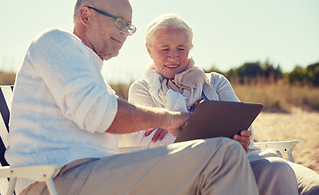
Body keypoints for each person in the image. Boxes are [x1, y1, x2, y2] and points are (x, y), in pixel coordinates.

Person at [4, 0, 260, 195]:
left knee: (229, 159)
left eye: (129, 26)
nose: (125, 33)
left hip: (97, 176)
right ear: (85, 16)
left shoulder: (94, 76)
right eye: (118, 22)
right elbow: (101, 114)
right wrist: (172, 118)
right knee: (222, 155)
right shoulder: (56, 41)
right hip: (57, 180)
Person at [125, 13, 319, 195]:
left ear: (190, 48)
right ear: (149, 50)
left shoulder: (215, 81)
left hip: (235, 157)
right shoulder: (141, 89)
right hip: (181, 170)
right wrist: (216, 135)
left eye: (181, 49)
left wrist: (174, 126)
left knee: (278, 168)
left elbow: (243, 126)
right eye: (164, 49)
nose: (173, 56)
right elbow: (155, 143)